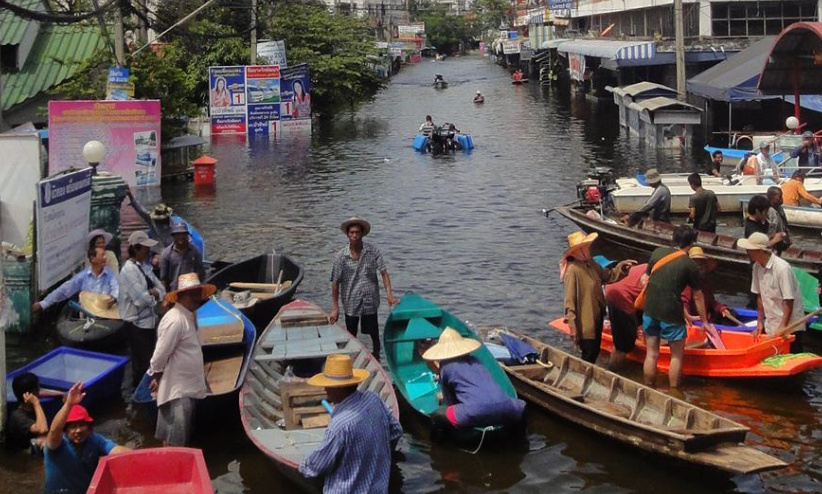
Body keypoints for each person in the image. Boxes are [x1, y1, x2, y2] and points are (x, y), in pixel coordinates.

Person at [299, 354, 402, 494]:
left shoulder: (339, 426)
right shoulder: (374, 399)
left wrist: (303, 465)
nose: (325, 390)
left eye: (328, 386)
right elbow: (396, 430)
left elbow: (316, 467)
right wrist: (377, 454)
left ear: (338, 388)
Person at [641, 225, 716, 388]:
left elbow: (645, 277)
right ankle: (674, 392)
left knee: (651, 353)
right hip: (671, 312)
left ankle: (648, 386)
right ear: (692, 242)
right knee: (676, 356)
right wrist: (704, 322)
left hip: (650, 309)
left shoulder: (657, 252)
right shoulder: (689, 264)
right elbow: (697, 295)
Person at [148, 273, 214, 446]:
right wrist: (156, 374)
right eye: (191, 294)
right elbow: (160, 354)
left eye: (197, 293)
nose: (196, 298)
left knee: (180, 436)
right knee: (173, 439)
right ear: (181, 296)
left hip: (187, 386)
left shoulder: (189, 316)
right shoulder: (175, 319)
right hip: (178, 390)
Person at [422, 328, 526, 430]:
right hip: (507, 408)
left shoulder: (446, 366)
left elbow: (449, 402)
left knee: (437, 415)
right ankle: (518, 438)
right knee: (520, 406)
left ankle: (438, 444)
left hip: (476, 411)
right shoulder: (476, 360)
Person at [329, 217, 398, 359]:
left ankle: (377, 356)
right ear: (348, 235)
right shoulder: (341, 257)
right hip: (351, 301)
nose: (354, 235)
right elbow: (335, 283)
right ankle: (352, 360)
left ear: (362, 234)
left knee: (373, 334)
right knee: (351, 335)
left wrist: (389, 295)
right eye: (352, 233)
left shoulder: (372, 252)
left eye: (357, 232)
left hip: (369, 300)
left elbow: (384, 274)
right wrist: (335, 308)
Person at [562, 231, 635, 363]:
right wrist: (573, 327)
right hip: (584, 322)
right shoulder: (573, 270)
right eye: (586, 247)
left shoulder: (591, 264)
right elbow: (569, 301)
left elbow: (608, 276)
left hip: (596, 315)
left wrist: (622, 268)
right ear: (579, 250)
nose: (589, 249)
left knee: (594, 351)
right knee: (589, 353)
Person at [44, 382, 130, 493]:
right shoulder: (57, 444)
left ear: (89, 428)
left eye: (81, 425)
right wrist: (68, 405)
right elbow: (54, 431)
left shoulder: (94, 440)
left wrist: (146, 457)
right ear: (66, 430)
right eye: (73, 427)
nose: (78, 430)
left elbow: (118, 451)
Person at [738, 232, 806, 352]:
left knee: (791, 358)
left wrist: (783, 326)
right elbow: (759, 295)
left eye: (750, 249)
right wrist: (759, 322)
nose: (747, 252)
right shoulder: (756, 267)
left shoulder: (782, 268)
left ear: (760, 250)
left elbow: (788, 300)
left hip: (790, 324)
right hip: (772, 321)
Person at [119, 230, 165, 386]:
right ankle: (140, 395)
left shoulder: (144, 267)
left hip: (149, 323)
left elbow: (162, 290)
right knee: (142, 365)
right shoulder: (128, 270)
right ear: (137, 248)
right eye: (145, 248)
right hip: (136, 325)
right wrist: (155, 296)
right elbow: (141, 300)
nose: (148, 251)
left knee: (150, 361)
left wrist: (155, 294)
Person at [32, 246, 118, 313]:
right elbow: (64, 290)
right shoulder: (82, 276)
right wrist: (44, 303)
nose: (105, 258)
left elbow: (115, 287)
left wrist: (114, 297)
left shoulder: (109, 273)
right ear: (93, 259)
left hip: (105, 312)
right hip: (87, 313)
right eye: (102, 255)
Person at [603, 261, 647, 369]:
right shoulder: (657, 275)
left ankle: (616, 366)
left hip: (615, 290)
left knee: (622, 337)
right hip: (621, 296)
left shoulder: (647, 267)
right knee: (623, 345)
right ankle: (613, 371)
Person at [681, 247, 734, 324]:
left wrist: (722, 308)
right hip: (697, 321)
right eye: (697, 264)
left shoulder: (705, 281)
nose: (700, 267)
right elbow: (683, 303)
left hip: (706, 318)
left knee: (732, 313)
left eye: (702, 264)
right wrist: (688, 318)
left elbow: (711, 301)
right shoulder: (687, 284)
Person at [7, 372, 48, 452]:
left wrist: (63, 394)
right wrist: (37, 404)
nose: (40, 390)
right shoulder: (18, 416)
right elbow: (43, 429)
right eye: (38, 387)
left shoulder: (28, 404)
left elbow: (42, 393)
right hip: (22, 454)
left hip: (31, 448)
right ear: (33, 393)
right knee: (43, 440)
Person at [159, 223, 205, 292]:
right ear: (173, 236)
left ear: (187, 235)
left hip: (192, 290)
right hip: (175, 291)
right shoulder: (166, 254)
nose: (181, 237)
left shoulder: (195, 252)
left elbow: (200, 273)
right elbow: (164, 278)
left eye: (183, 234)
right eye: (178, 234)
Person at [767, 186, 791, 255]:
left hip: (782, 242)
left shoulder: (779, 208)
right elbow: (770, 231)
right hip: (774, 244)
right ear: (771, 197)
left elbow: (784, 225)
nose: (782, 199)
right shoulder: (769, 211)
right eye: (779, 197)